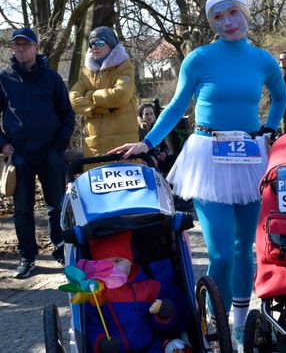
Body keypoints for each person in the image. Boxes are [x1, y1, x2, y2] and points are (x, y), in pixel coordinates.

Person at [108, 0, 286, 351]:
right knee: (221, 250)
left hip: (249, 155)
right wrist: (148, 143)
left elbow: (281, 95)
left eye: (233, 13)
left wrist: (270, 128)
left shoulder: (262, 59)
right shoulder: (200, 59)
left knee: (248, 248)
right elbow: (174, 107)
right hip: (209, 158)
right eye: (218, 16)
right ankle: (215, 318)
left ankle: (239, 326)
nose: (227, 22)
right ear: (212, 22)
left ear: (245, 13)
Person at [0, 28, 75, 278]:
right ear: (12, 49)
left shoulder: (52, 79)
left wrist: (59, 146)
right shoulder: (4, 79)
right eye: (16, 45)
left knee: (57, 206)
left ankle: (61, 250)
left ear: (36, 47)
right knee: (22, 209)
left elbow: (67, 114)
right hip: (20, 155)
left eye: (25, 44)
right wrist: (3, 144)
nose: (20, 49)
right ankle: (27, 257)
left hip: (50, 153)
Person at [83, 231, 189, 353]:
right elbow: (92, 325)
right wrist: (100, 343)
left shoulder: (150, 287)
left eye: (118, 261)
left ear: (130, 261)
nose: (112, 269)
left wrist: (164, 315)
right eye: (105, 264)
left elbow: (174, 322)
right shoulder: (95, 295)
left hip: (151, 346)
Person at [69, 26, 138, 157]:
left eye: (99, 42)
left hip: (121, 147)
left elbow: (120, 95)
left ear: (111, 45)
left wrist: (91, 95)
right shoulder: (87, 71)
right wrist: (96, 109)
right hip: (94, 147)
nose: (94, 46)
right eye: (91, 43)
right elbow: (73, 97)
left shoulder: (124, 66)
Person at [138, 103, 172, 173]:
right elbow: (142, 149)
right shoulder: (139, 130)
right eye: (146, 114)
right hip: (148, 158)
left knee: (174, 158)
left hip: (159, 156)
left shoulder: (156, 128)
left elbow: (164, 146)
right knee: (152, 161)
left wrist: (164, 153)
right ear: (142, 116)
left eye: (151, 113)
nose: (149, 116)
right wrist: (155, 156)